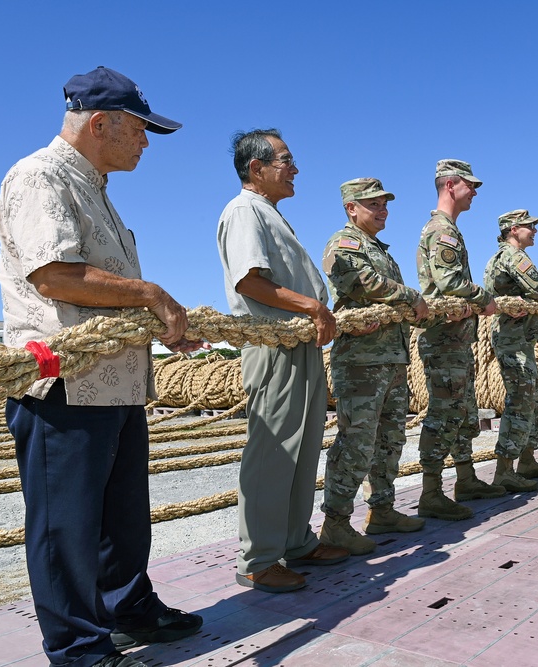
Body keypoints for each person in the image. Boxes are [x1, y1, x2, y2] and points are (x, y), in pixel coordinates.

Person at [0, 66, 203, 667]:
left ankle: (127, 606)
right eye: (140, 130)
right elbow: (54, 275)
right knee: (66, 529)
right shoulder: (40, 178)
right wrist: (149, 294)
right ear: (100, 123)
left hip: (115, 384)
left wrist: (160, 330)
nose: (145, 143)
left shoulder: (95, 189)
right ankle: (80, 649)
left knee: (122, 517)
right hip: (63, 388)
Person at [218, 129, 348, 595]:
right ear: (257, 169)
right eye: (285, 160)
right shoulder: (243, 211)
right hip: (274, 348)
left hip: (301, 347)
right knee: (273, 453)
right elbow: (248, 282)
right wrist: (313, 307)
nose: (295, 169)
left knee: (303, 447)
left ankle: (295, 542)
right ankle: (259, 559)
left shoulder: (268, 214)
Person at [319, 178, 430, 555]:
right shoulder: (344, 243)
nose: (383, 210)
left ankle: (382, 509)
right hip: (362, 363)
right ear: (352, 208)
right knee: (357, 443)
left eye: (385, 204)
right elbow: (359, 280)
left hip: (391, 359)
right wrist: (410, 295)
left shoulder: (380, 249)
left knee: (389, 440)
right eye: (373, 204)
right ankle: (335, 524)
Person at [415, 160, 506, 521]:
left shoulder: (449, 229)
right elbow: (450, 281)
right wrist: (484, 299)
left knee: (461, 411)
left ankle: (466, 479)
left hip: (456, 339)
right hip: (444, 341)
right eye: (471, 185)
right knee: (442, 415)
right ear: (451, 184)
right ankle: (430, 493)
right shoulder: (442, 231)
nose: (476, 192)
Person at [483, 210, 538, 492]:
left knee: (536, 403)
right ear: (514, 229)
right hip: (513, 340)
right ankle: (504, 470)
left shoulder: (501, 257)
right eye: (530, 227)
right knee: (521, 402)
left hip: (518, 339)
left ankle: (527, 460)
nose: (534, 231)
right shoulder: (513, 256)